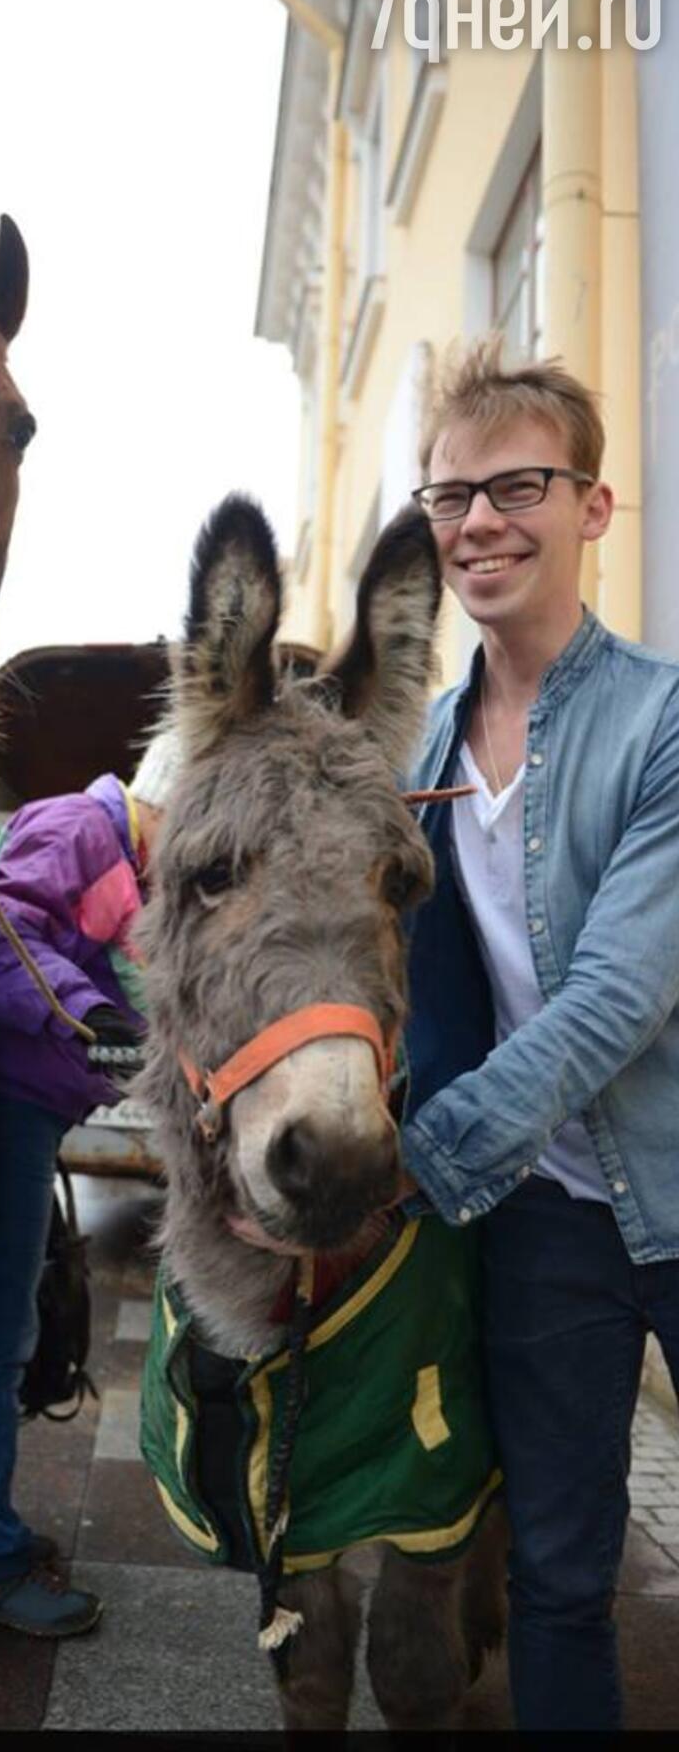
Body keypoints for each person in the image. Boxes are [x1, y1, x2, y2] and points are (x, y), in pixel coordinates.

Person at [400, 337, 679, 1731]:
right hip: (544, 1216)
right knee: (561, 1574)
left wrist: (426, 1152)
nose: (480, 523)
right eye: (451, 498)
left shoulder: (666, 720)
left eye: (517, 487)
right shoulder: (421, 759)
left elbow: (620, 997)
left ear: (593, 508)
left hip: (674, 1182)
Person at [0, 730, 178, 1635]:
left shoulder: (129, 855)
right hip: (3, 1106)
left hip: (24, 1101)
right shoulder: (78, 828)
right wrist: (92, 1017)